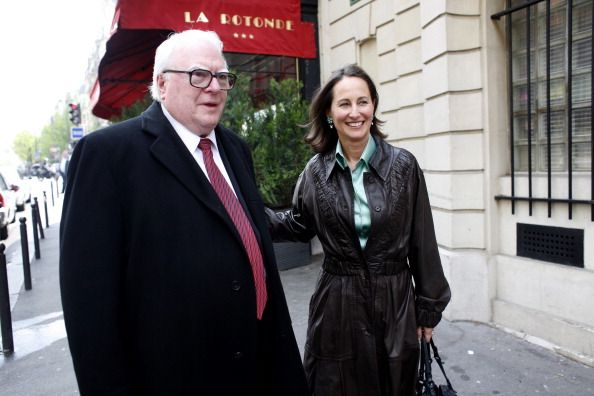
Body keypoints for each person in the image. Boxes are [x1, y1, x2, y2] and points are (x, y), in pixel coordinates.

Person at [60, 29, 309, 396]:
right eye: (198, 75)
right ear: (161, 84)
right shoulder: (108, 156)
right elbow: (90, 307)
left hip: (257, 369)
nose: (213, 87)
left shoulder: (235, 149)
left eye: (222, 77)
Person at [267, 64, 452, 396]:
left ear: (373, 106)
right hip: (336, 305)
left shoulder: (403, 166)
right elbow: (299, 224)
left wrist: (428, 309)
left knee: (394, 385)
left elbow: (423, 241)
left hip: (394, 304)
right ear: (329, 113)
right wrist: (245, 212)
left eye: (363, 102)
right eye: (344, 104)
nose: (355, 112)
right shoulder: (315, 172)